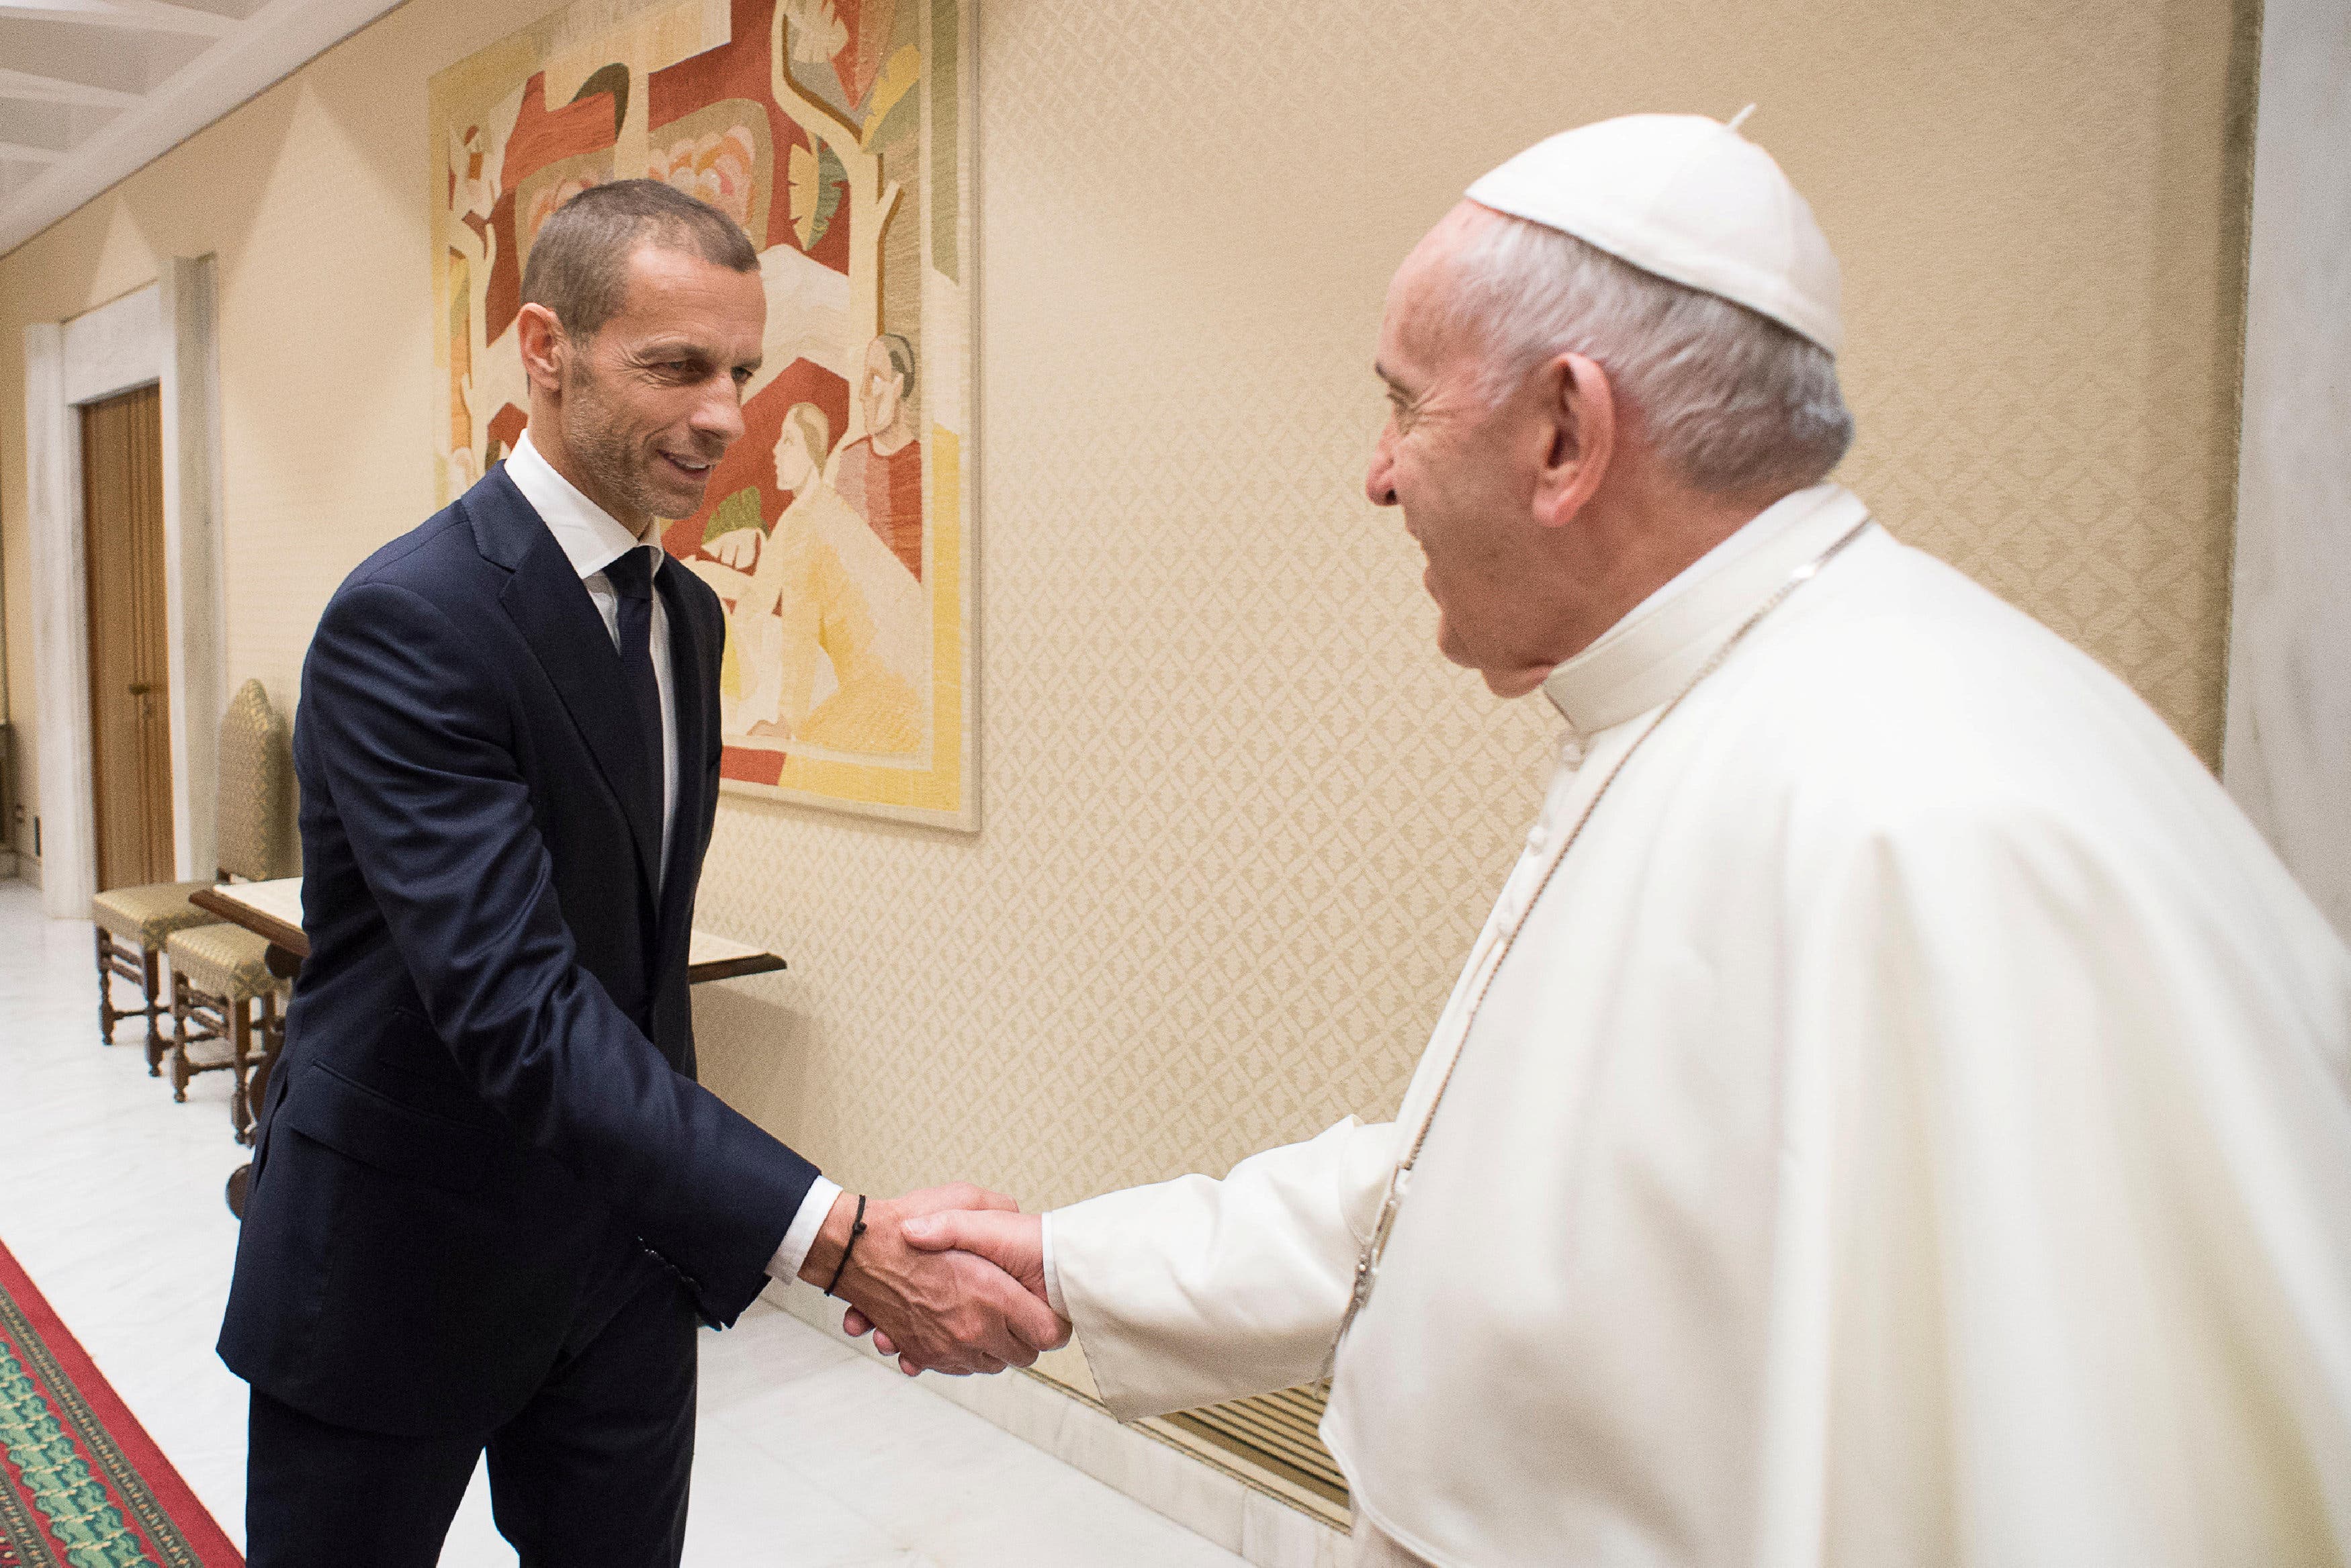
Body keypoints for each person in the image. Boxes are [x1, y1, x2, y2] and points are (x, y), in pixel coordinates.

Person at [869, 116, 2351, 1565]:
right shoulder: (1712, 711)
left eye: (1403, 405)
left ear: (1566, 433)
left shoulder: (1929, 817)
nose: (1377, 476)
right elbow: (1497, 1201)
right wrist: (1073, 1269)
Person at [218, 181, 1059, 1568]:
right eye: (674, 367)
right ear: (544, 349)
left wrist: (692, 1223)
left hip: (620, 1267)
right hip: (397, 1256)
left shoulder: (682, 616)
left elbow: (633, 959)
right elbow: (517, 1006)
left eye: (737, 369)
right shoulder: (410, 619)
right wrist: (837, 1238)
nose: (724, 414)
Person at [694, 401, 926, 753]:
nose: (775, 450)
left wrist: (786, 722)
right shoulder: (804, 512)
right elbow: (759, 597)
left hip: (891, 689)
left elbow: (800, 626)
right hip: (896, 681)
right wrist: (697, 572)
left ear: (812, 452)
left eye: (788, 441)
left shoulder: (813, 519)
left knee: (810, 748)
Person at [830, 332, 924, 579]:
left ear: (898, 386)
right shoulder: (851, 461)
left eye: (873, 379)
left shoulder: (925, 465)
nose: (862, 394)